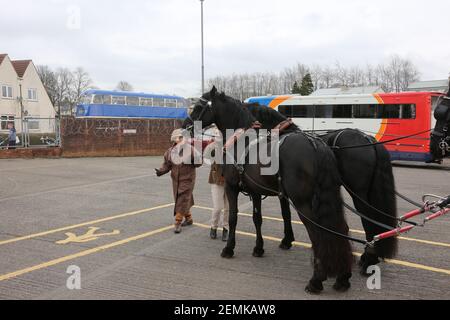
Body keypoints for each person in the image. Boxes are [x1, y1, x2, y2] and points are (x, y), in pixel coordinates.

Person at [155, 129, 202, 234]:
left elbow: (199, 163)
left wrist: (194, 159)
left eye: (181, 138)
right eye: (178, 138)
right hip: (176, 180)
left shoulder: (191, 149)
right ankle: (189, 218)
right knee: (182, 199)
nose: (180, 140)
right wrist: (160, 171)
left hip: (188, 179)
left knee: (182, 198)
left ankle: (178, 222)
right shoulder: (170, 151)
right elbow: (167, 164)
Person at [204, 128, 229, 241]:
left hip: (229, 180)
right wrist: (212, 160)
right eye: (216, 135)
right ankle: (213, 227)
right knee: (218, 207)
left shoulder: (230, 145)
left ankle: (226, 229)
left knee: (228, 208)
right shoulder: (211, 146)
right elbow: (205, 159)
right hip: (216, 179)